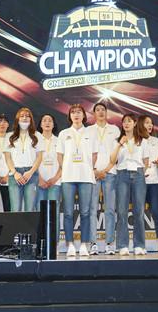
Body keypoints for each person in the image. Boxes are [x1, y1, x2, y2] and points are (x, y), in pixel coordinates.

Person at [57, 104, 97, 257]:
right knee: (68, 213)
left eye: (79, 112)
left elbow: (94, 155)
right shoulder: (64, 133)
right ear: (70, 116)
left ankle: (85, 244)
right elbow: (59, 155)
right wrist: (66, 168)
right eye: (73, 112)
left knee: (85, 212)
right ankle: (70, 245)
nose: (76, 114)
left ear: (83, 115)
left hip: (86, 177)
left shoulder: (91, 133)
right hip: (68, 177)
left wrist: (87, 168)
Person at [110, 114, 149, 256]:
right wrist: (119, 144)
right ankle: (122, 245)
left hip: (138, 174)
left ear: (135, 123)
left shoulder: (143, 140)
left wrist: (142, 173)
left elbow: (146, 161)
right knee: (122, 211)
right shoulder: (117, 141)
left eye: (129, 121)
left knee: (139, 211)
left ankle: (139, 245)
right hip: (122, 174)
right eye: (124, 122)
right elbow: (112, 160)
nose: (126, 124)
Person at [87, 102, 120, 255]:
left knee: (110, 210)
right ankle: (92, 243)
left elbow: (117, 152)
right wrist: (94, 170)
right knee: (92, 209)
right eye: (97, 110)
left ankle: (109, 243)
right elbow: (86, 153)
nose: (100, 112)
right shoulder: (88, 130)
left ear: (107, 113)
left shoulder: (114, 129)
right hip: (92, 173)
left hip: (110, 172)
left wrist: (106, 169)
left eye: (103, 110)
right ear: (94, 113)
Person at [140, 115, 158, 254]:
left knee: (157, 212)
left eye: (151, 123)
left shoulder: (156, 140)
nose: (150, 125)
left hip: (154, 181)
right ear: (140, 124)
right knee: (138, 214)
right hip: (139, 182)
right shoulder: (136, 140)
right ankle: (139, 245)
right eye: (146, 123)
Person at [5, 108, 42, 212]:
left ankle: (28, 225)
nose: (25, 118)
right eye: (22, 116)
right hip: (14, 175)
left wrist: (30, 172)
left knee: (30, 209)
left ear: (31, 119)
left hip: (31, 174)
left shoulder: (37, 135)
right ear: (17, 119)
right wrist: (15, 172)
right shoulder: (9, 136)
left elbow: (39, 157)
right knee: (15, 209)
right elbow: (7, 158)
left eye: (27, 116)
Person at [36, 114, 61, 205]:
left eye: (50, 121)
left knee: (54, 210)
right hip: (38, 181)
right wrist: (39, 179)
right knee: (39, 210)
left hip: (55, 182)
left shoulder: (59, 141)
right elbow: (32, 162)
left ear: (53, 125)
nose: (47, 122)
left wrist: (55, 178)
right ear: (41, 124)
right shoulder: (35, 141)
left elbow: (63, 162)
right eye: (44, 120)